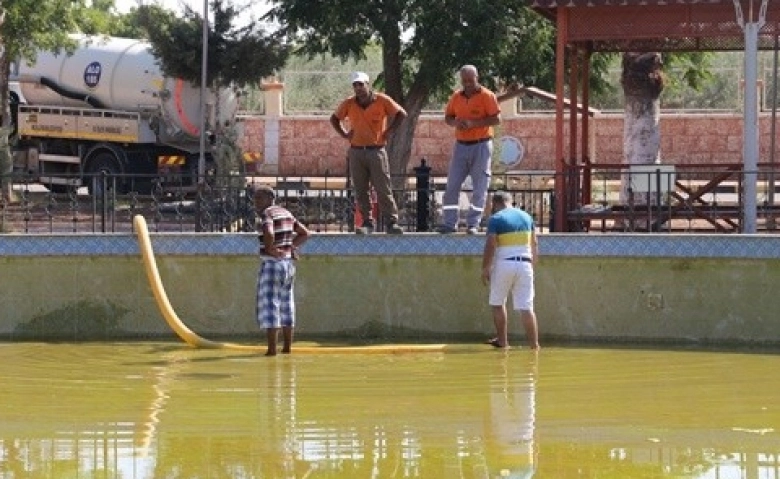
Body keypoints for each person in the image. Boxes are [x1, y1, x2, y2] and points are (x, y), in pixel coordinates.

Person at [330, 71, 407, 235]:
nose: (358, 88)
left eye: (361, 84)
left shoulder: (381, 100)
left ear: (368, 84)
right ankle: (367, 222)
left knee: (383, 187)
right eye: (355, 85)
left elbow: (401, 114)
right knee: (361, 189)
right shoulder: (349, 103)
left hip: (376, 150)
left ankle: (392, 222)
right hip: (357, 151)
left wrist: (390, 131)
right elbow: (334, 118)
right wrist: (344, 134)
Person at [440, 65, 501, 234]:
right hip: (461, 146)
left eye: (470, 80)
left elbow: (496, 119)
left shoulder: (487, 96)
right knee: (452, 185)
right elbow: (448, 116)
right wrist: (455, 123)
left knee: (479, 187)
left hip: (481, 145)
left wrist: (473, 124)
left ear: (477, 77)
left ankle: (473, 224)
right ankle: (449, 223)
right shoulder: (456, 97)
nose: (467, 83)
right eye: (464, 80)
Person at [252, 184, 310, 356]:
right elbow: (305, 233)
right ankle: (287, 348)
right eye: (255, 199)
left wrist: (270, 248)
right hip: (287, 265)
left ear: (270, 199)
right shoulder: (286, 213)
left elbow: (268, 231)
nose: (256, 203)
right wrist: (291, 247)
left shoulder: (268, 213)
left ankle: (271, 351)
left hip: (272, 264)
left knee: (270, 306)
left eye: (259, 199)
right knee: (286, 306)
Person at [481, 191, 539, 350]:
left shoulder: (496, 219)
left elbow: (491, 244)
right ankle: (534, 346)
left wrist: (485, 268)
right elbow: (534, 242)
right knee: (527, 307)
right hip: (526, 264)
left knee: (498, 303)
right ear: (510, 201)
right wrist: (532, 265)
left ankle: (503, 342)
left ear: (495, 204)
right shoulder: (527, 217)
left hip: (504, 264)